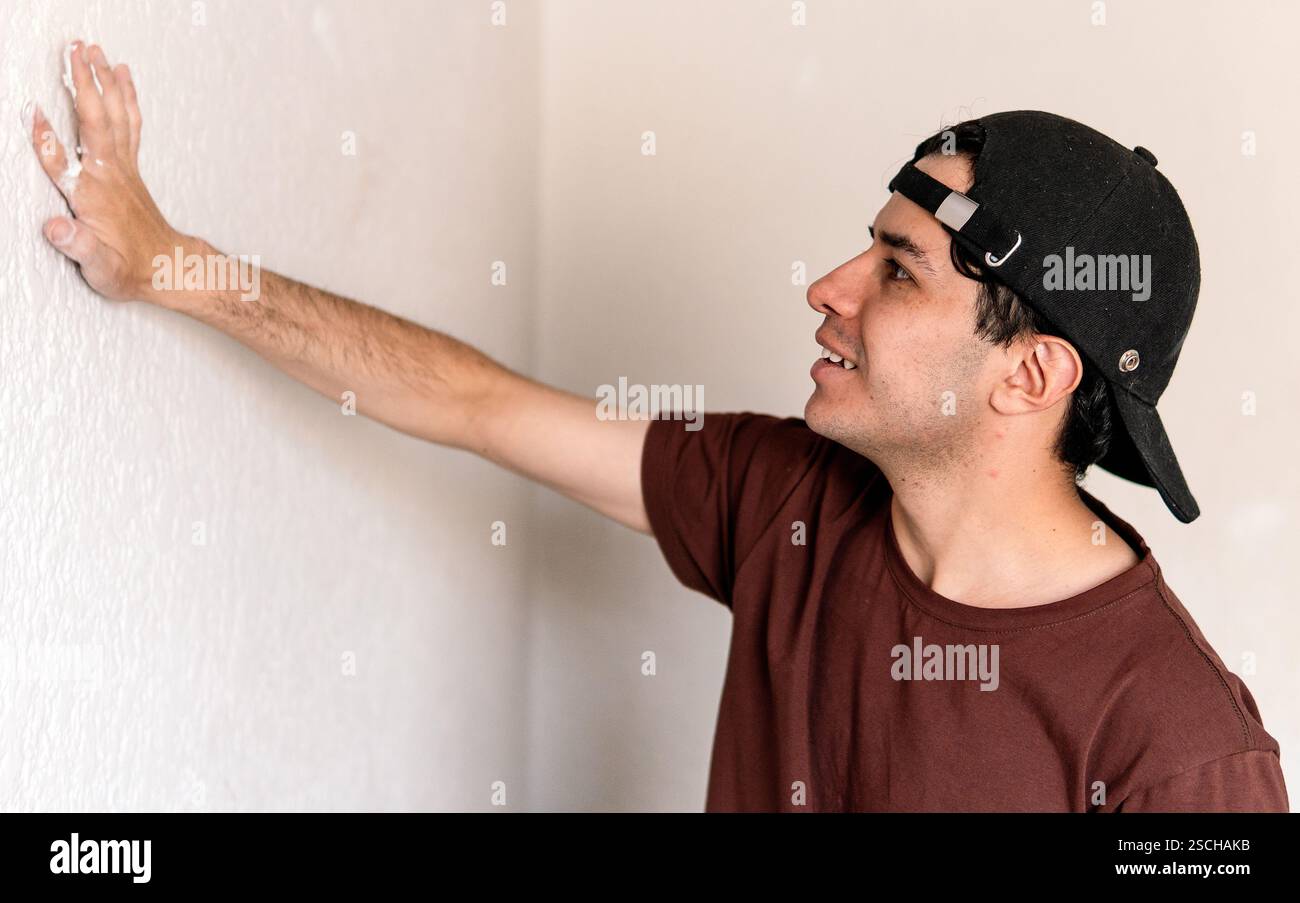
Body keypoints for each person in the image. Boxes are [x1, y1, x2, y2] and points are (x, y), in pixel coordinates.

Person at [31, 40, 1288, 812]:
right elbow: (469, 400)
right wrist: (171, 265)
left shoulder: (1181, 754)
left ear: (1030, 376)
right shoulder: (786, 501)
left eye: (897, 271)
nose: (828, 286)